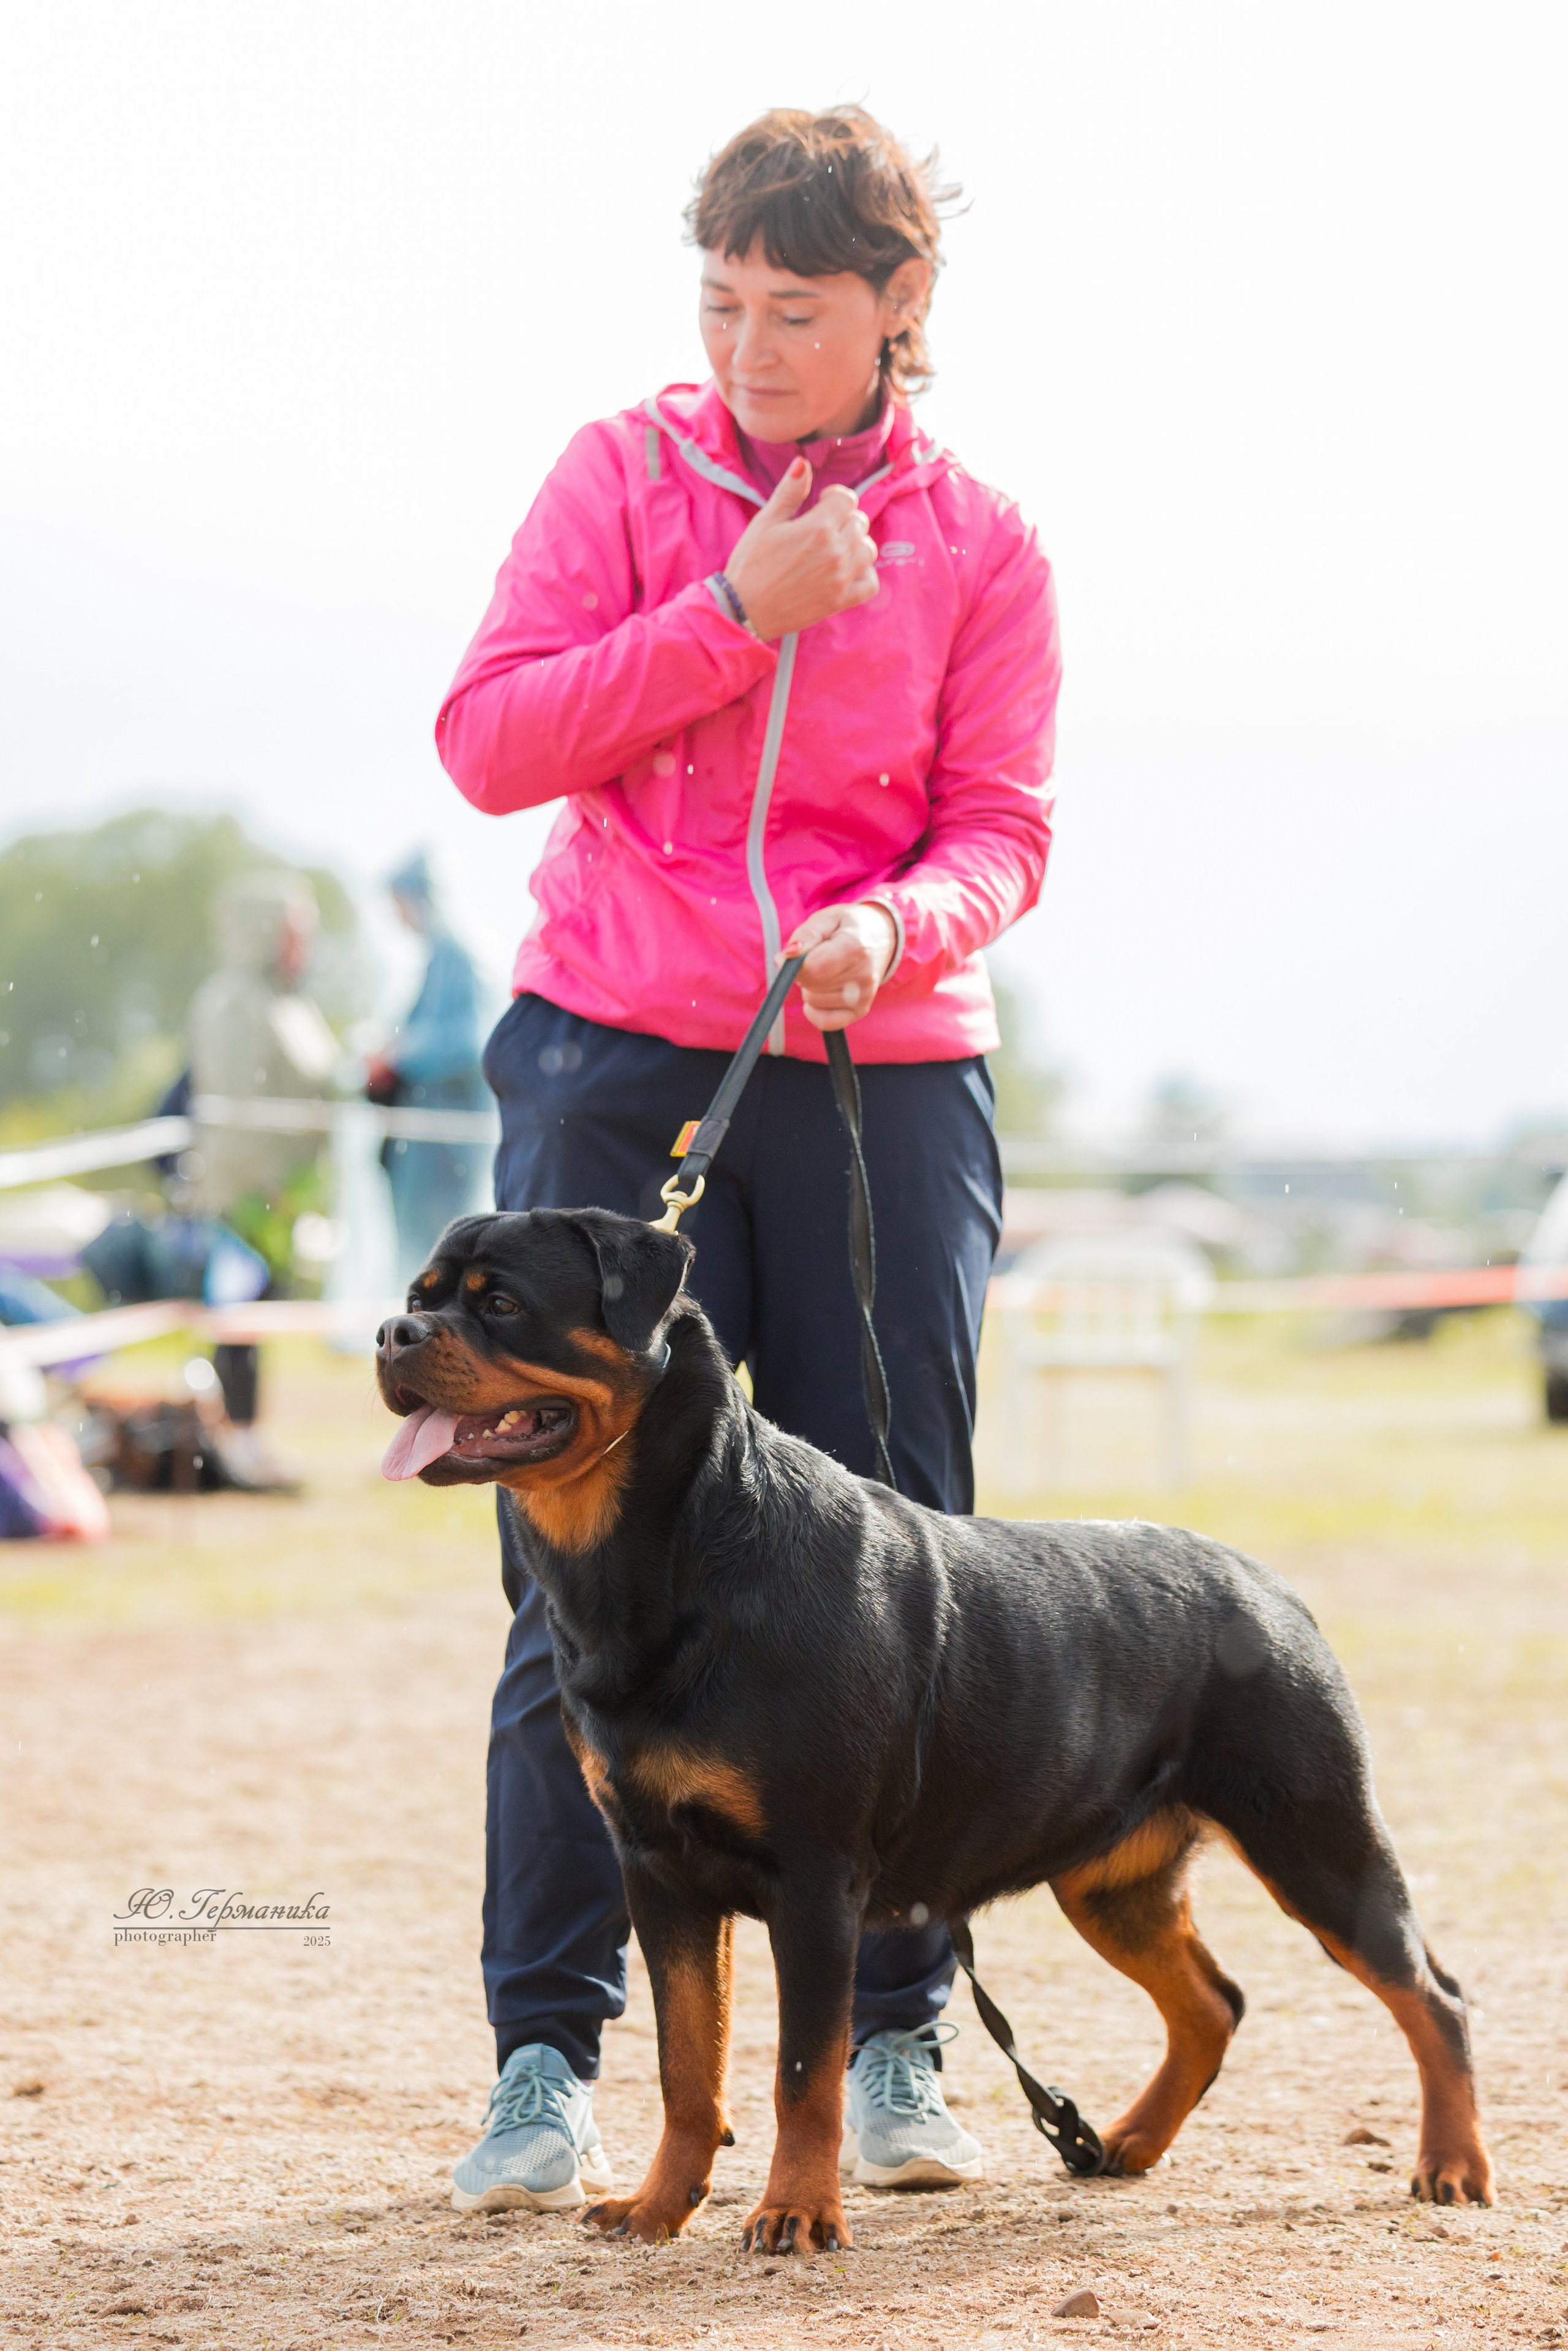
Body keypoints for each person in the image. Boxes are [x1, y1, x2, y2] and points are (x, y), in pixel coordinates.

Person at [432, 106, 1060, 2214]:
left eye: (799, 309)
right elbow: (495, 736)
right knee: (568, 1559)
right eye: (722, 303)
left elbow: (1006, 826)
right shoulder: (619, 476)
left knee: (911, 1570)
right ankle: (544, 2057)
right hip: (619, 1048)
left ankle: (895, 2037)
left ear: (901, 309)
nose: (752, 346)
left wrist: (907, 923)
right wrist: (730, 604)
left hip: (882, 1068)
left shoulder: (989, 542)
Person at [187, 871, 339, 1489]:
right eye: (293, 931)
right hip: (240, 1198)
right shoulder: (232, 1003)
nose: (303, 944)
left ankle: (245, 1440)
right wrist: (263, 1186)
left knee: (258, 1316)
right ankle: (229, 1445)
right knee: (236, 1319)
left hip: (278, 1200)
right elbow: (240, 1109)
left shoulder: (286, 1004)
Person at [366, 853, 489, 1283]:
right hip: (426, 1149)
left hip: (445, 1150)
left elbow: (469, 1044)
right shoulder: (436, 960)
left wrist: (397, 1056)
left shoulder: (456, 958)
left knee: (442, 1263)